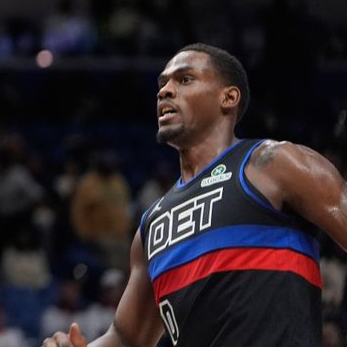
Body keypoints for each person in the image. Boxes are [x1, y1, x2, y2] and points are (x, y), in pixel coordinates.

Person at [42, 43, 347, 347]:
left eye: (185, 79)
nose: (165, 91)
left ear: (228, 98)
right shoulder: (152, 224)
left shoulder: (273, 164)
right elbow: (125, 337)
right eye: (162, 84)